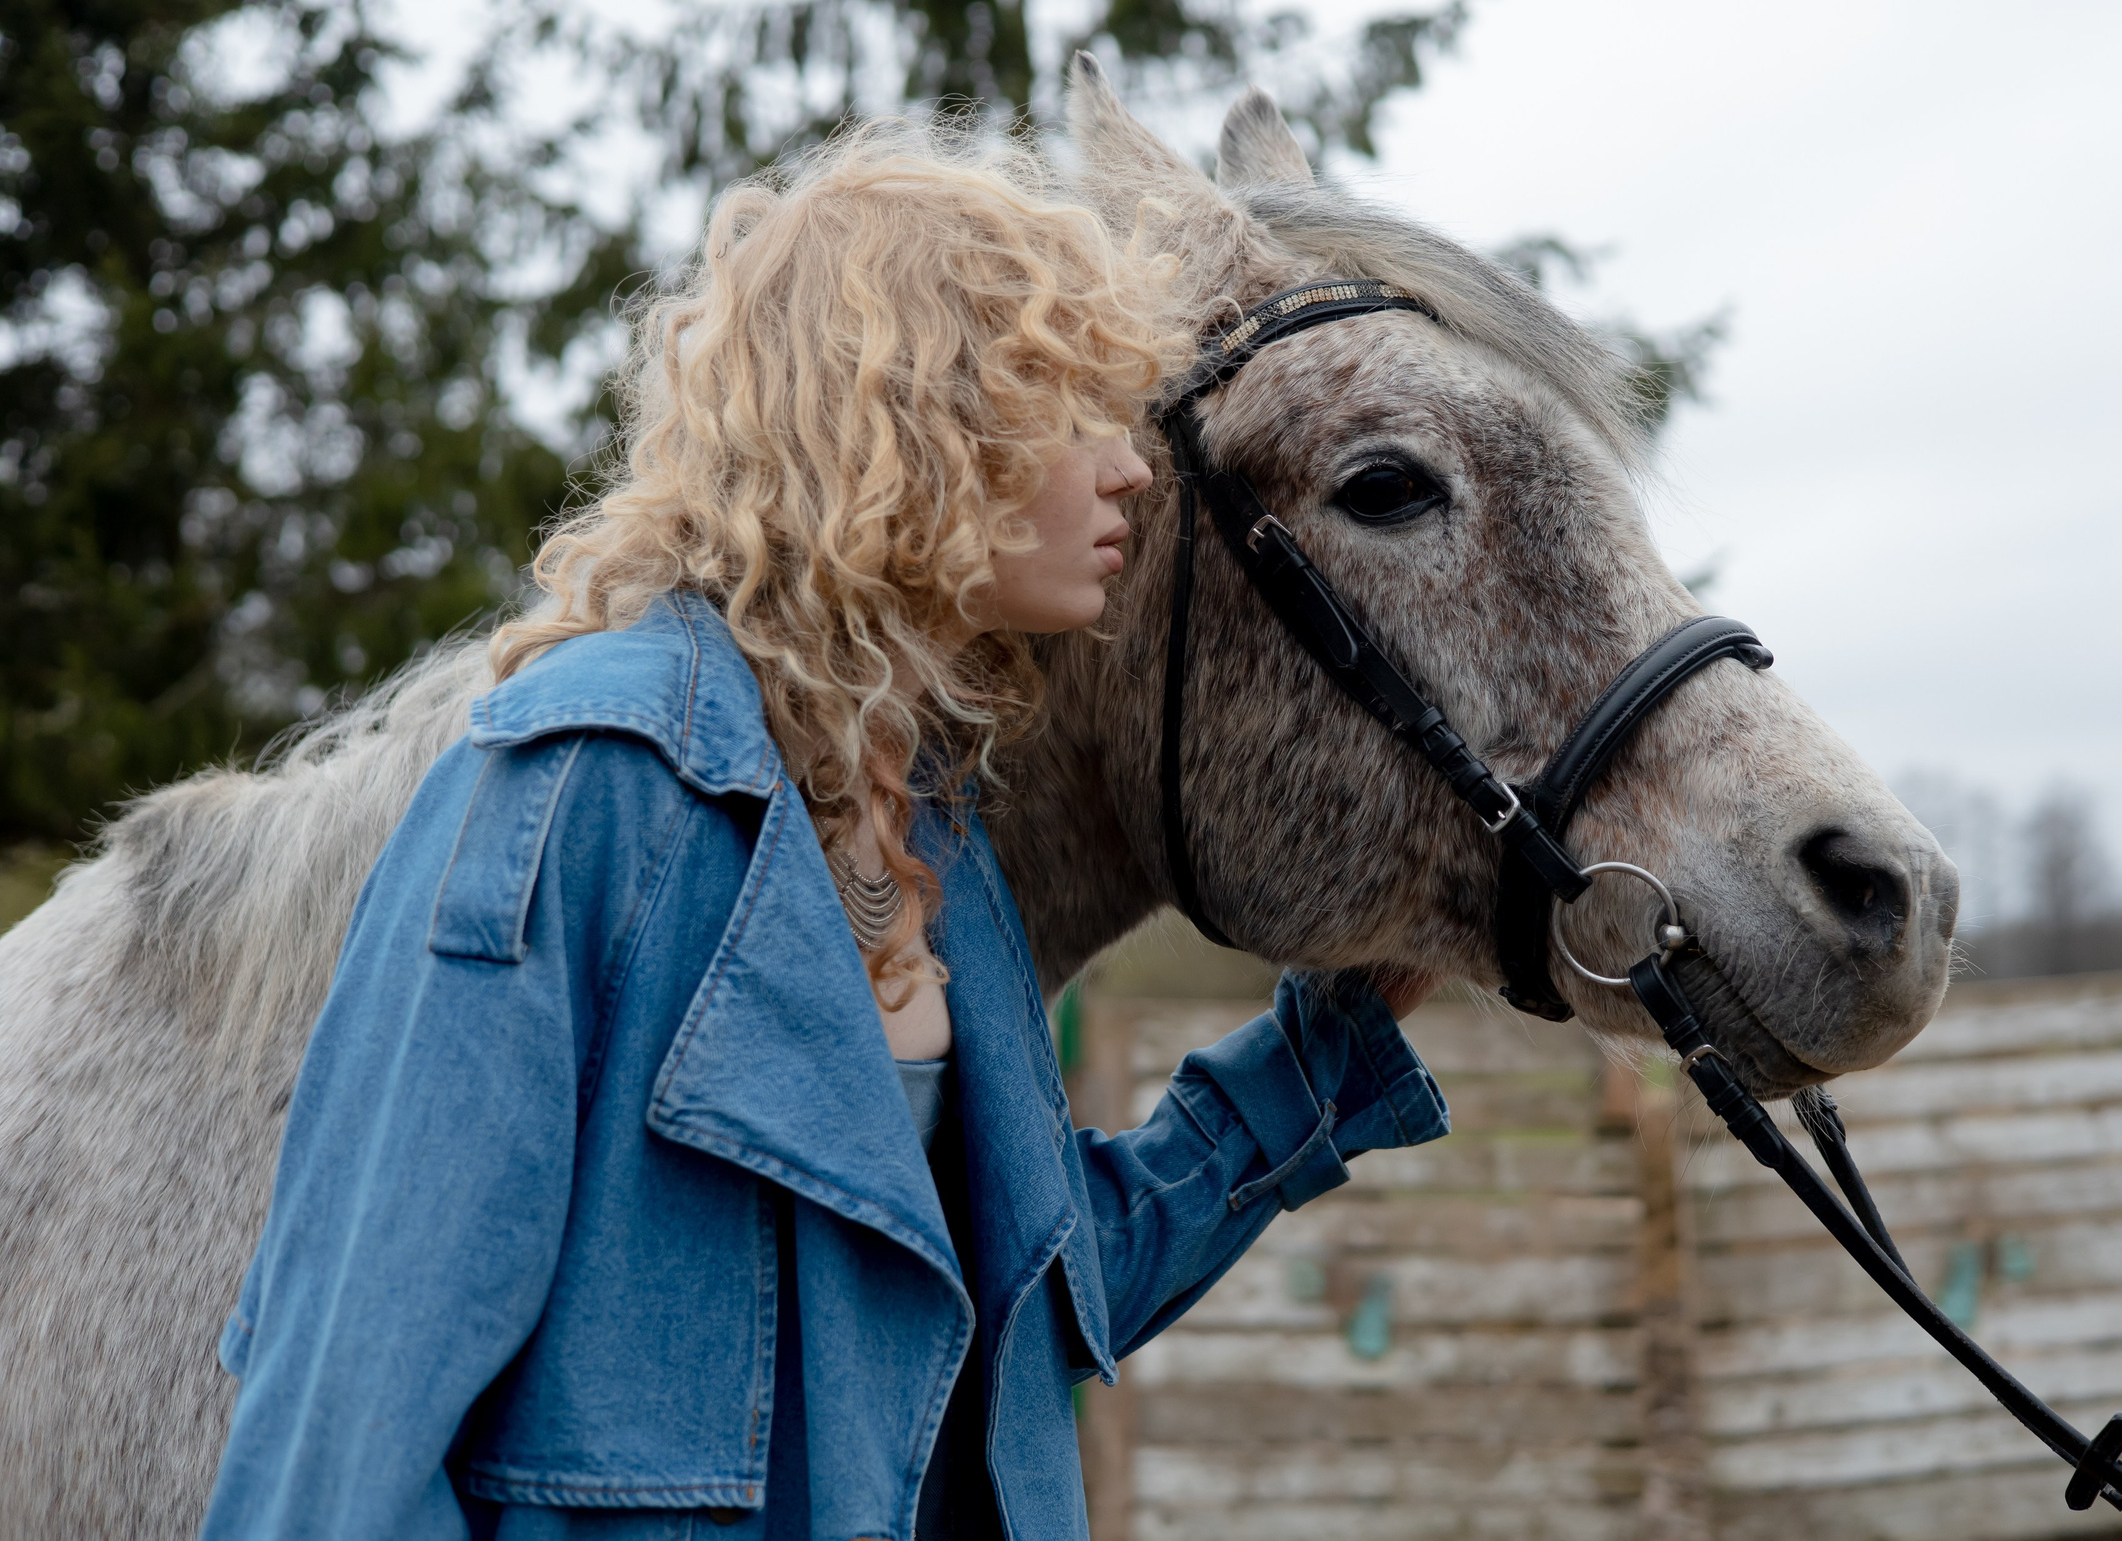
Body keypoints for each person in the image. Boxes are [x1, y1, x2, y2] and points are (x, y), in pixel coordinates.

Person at [200, 122, 1450, 1541]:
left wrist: (1319, 1065)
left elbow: (985, 1312)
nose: (1134, 471)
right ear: (916, 426)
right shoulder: (579, 789)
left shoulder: (935, 824)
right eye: (1077, 411)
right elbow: (343, 1431)